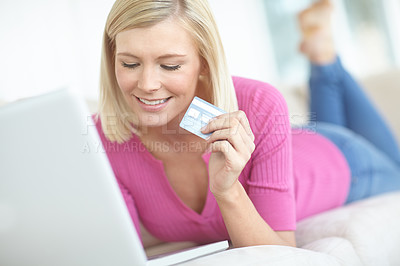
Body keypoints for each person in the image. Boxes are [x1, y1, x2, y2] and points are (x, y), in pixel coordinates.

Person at [94, 0, 400, 249]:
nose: (147, 84)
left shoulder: (258, 102)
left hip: (342, 160)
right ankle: (320, 47)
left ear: (204, 60)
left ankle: (324, 58)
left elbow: (279, 253)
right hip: (294, 143)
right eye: (130, 63)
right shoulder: (104, 137)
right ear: (113, 58)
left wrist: (227, 190)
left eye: (170, 65)